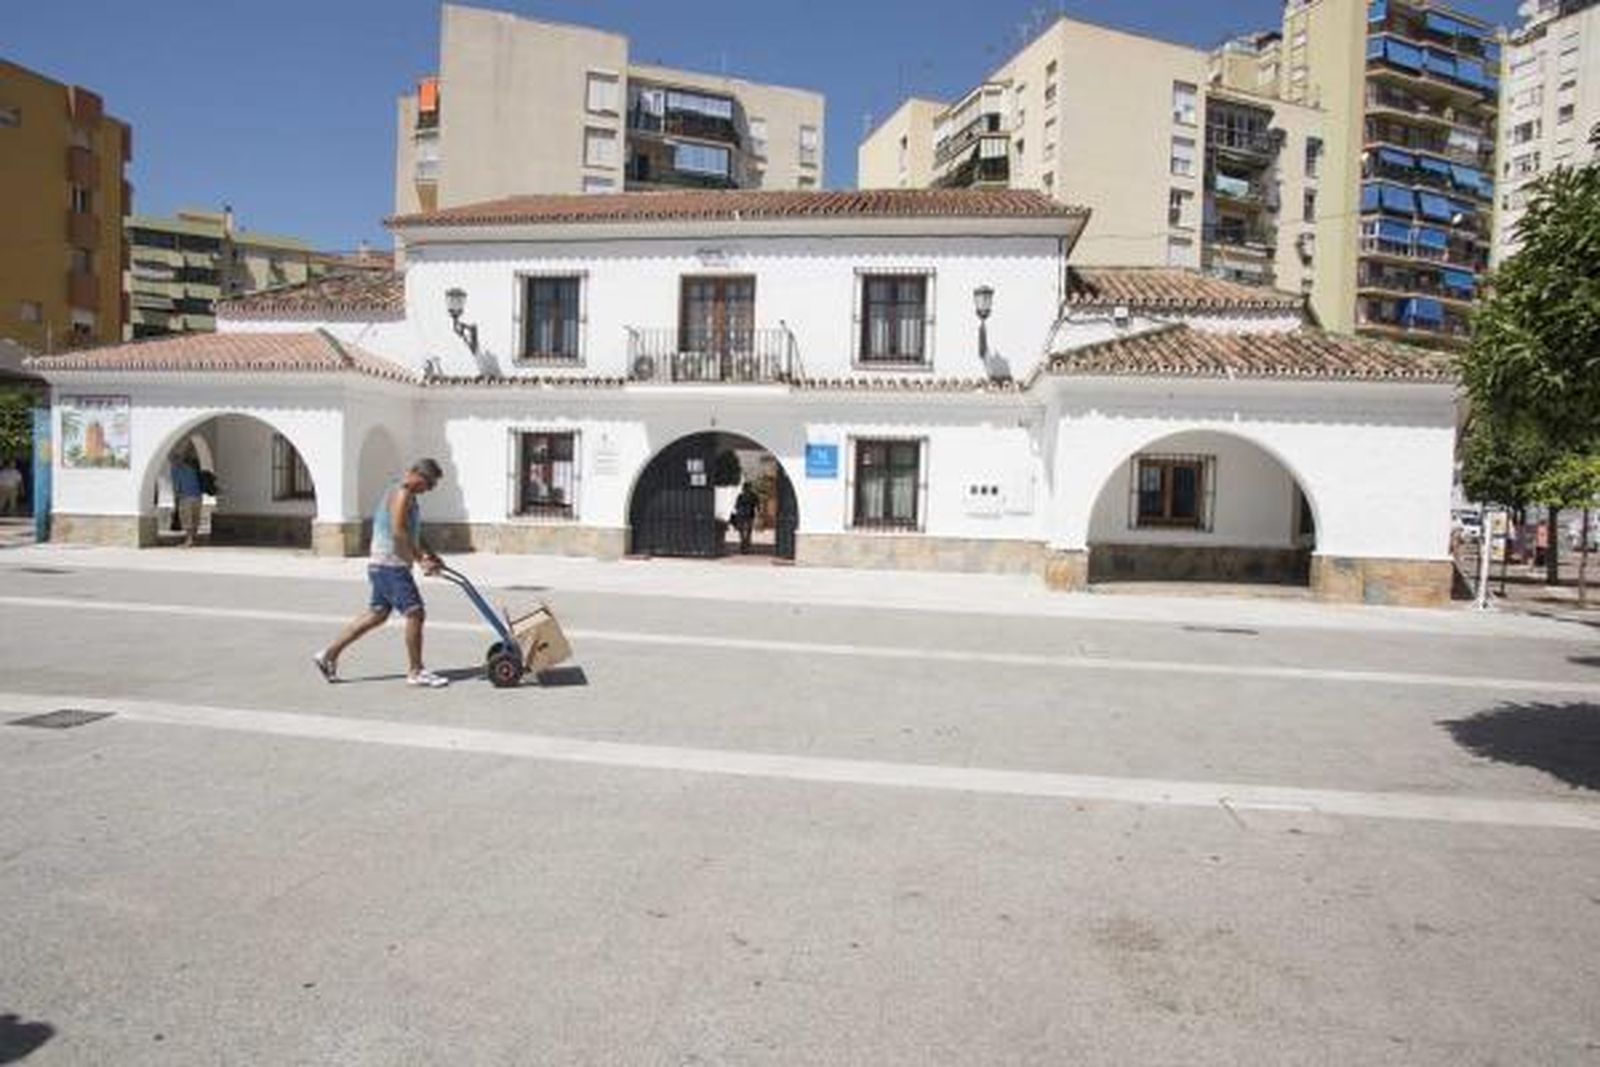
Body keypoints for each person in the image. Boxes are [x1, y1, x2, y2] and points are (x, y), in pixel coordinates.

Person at [313, 458, 450, 688]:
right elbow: (397, 531)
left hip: (384, 564)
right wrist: (420, 561)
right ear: (417, 475)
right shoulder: (402, 492)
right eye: (429, 484)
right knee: (415, 613)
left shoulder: (409, 496)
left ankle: (328, 654)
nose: (429, 490)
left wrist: (431, 554)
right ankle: (416, 671)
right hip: (390, 564)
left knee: (377, 614)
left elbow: (411, 531)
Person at [170, 452, 204, 547]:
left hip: (186, 497)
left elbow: (176, 486)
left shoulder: (175, 469)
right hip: (198, 496)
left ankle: (189, 540)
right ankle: (192, 539)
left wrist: (176, 499)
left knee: (187, 519)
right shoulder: (191, 468)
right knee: (195, 518)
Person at [732, 481, 760, 554]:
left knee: (741, 530)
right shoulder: (753, 495)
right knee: (748, 531)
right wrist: (758, 512)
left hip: (741, 514)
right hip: (750, 514)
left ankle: (743, 544)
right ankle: (746, 544)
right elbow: (757, 505)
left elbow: (736, 506)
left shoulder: (740, 496)